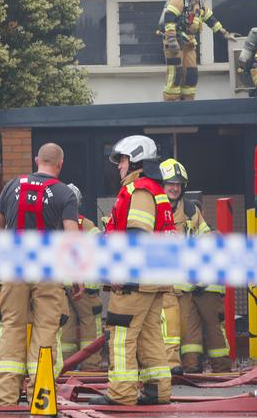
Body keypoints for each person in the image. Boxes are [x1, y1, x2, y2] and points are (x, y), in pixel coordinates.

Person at [0, 143, 79, 407]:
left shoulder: (12, 186)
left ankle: (4, 397)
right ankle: (40, 395)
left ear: (36, 160)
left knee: (11, 328)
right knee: (46, 330)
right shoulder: (65, 194)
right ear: (60, 165)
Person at [89, 135, 175, 406]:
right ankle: (157, 391)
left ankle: (121, 394)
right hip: (153, 279)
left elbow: (138, 236)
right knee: (150, 336)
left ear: (136, 159)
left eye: (123, 160)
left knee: (121, 336)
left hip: (135, 280)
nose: (118, 166)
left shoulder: (138, 190)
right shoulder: (153, 190)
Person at [160, 158, 231, 374]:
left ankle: (201, 368)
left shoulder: (191, 210)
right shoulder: (153, 207)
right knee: (173, 328)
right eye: (170, 183)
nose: (174, 188)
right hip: (166, 285)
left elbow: (207, 238)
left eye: (178, 184)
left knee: (196, 329)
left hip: (191, 284)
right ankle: (177, 366)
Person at [161, 0, 233, 101]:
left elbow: (211, 20)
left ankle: (188, 102)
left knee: (191, 75)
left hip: (188, 43)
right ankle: (171, 103)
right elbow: (169, 17)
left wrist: (225, 34)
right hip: (175, 42)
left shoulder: (199, 5)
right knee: (176, 74)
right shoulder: (179, 0)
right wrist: (172, 39)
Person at [61, 183, 104, 371]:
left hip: (61, 287)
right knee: (90, 326)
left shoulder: (55, 224)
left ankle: (64, 365)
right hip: (85, 288)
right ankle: (91, 365)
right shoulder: (87, 226)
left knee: (65, 327)